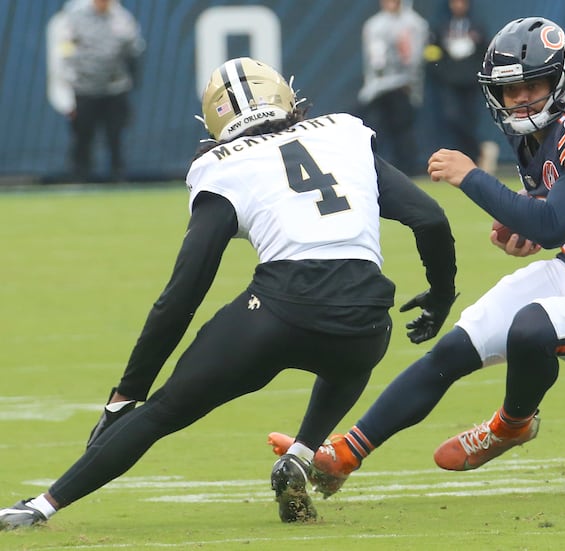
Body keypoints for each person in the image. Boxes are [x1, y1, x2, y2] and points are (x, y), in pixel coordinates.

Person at [0, 57, 457, 529]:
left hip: (277, 313)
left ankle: (40, 507)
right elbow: (430, 219)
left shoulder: (223, 165)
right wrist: (442, 294)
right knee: (350, 353)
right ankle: (300, 456)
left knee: (162, 411)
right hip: (366, 315)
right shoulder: (343, 132)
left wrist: (127, 395)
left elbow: (183, 293)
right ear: (284, 94)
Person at [267, 16, 565, 498]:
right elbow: (559, 216)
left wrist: (474, 178)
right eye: (509, 90)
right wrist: (526, 224)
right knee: (454, 348)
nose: (519, 100)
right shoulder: (532, 132)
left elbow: (554, 224)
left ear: (561, 80)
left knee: (531, 326)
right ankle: (344, 455)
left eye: (531, 86)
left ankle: (511, 425)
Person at [61, 0, 145, 182]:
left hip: (114, 87)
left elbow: (134, 47)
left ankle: (118, 174)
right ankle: (80, 175)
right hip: (85, 87)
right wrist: (71, 80)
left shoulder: (121, 17)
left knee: (115, 133)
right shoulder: (76, 14)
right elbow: (66, 48)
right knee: (83, 134)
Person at [359, 0, 429, 176]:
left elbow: (414, 59)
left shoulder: (414, 23)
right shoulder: (373, 24)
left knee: (403, 131)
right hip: (377, 88)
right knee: (376, 130)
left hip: (402, 86)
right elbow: (372, 61)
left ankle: (408, 171)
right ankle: (375, 170)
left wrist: (411, 85)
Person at [425, 0, 487, 163]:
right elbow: (432, 54)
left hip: (471, 84)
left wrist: (475, 73)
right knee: (452, 117)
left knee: (470, 120)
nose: (458, 5)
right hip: (450, 83)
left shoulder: (477, 26)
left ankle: (475, 156)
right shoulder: (441, 27)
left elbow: (484, 52)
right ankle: (461, 156)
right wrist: (444, 73)